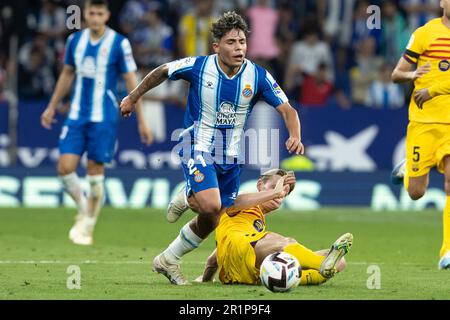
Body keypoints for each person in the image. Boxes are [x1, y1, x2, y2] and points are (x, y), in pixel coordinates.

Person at [120, 11, 304, 285]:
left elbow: (288, 109)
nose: (239, 47)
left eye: (242, 41)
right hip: (197, 144)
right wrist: (133, 97)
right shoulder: (198, 67)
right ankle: (190, 193)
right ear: (216, 46)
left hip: (230, 155)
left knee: (216, 217)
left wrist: (295, 135)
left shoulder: (258, 76)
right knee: (210, 203)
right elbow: (161, 71)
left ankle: (168, 259)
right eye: (231, 42)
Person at [40, 0, 153, 246]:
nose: (95, 17)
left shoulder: (118, 43)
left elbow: (132, 83)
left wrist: (142, 121)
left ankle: (88, 227)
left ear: (107, 15)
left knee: (94, 174)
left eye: (100, 13)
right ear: (86, 14)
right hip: (77, 115)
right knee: (64, 167)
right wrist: (51, 106)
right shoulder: (75, 42)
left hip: (104, 118)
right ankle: (84, 208)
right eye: (91, 12)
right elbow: (67, 73)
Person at [195, 169, 352, 286]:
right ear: (260, 185)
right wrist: (274, 192)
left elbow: (213, 259)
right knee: (282, 241)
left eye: (285, 191)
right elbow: (233, 203)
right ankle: (320, 265)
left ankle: (307, 274)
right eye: (275, 187)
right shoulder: (241, 201)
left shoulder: (253, 223)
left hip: (244, 274)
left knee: (340, 261)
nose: (281, 194)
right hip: (240, 252)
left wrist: (206, 278)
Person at [391, 0, 450, 269]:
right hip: (423, 123)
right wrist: (414, 73)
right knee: (416, 192)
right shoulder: (425, 33)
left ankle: (447, 252)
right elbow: (396, 74)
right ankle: (407, 169)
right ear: (441, 3)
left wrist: (434, 90)